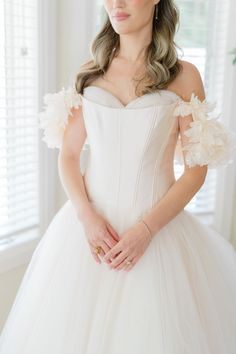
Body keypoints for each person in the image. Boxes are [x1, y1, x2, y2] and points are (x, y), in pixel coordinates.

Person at [1, 1, 236, 353]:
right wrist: (86, 216)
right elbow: (67, 154)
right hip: (89, 233)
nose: (116, 3)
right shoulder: (90, 72)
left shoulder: (184, 76)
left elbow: (195, 171)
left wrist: (145, 230)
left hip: (158, 234)